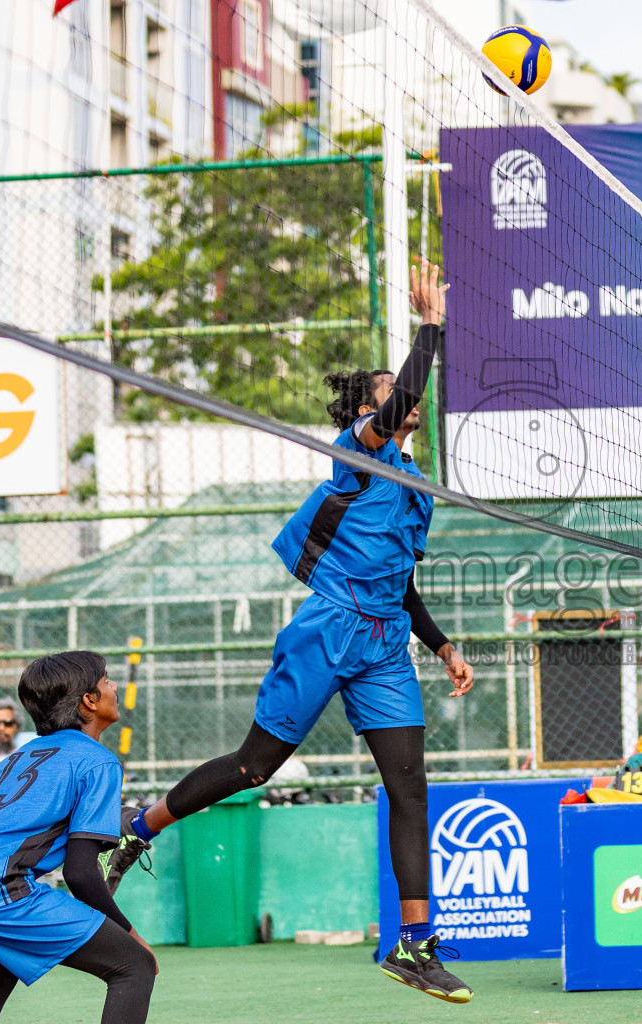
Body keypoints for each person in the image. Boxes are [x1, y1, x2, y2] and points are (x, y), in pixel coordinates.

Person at [108, 260, 476, 1003]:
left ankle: (412, 944)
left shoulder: (413, 483)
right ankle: (136, 828)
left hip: (382, 643)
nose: (408, 401)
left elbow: (400, 581)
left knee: (409, 787)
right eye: (391, 395)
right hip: (327, 629)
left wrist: (440, 644)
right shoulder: (359, 455)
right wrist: (430, 326)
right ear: (369, 413)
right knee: (255, 767)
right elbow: (407, 387)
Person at [0, 651, 156, 1024]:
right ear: (89, 700)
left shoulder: (17, 757)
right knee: (134, 966)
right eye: (107, 680)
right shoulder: (98, 761)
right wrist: (130, 933)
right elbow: (81, 874)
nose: (115, 686)